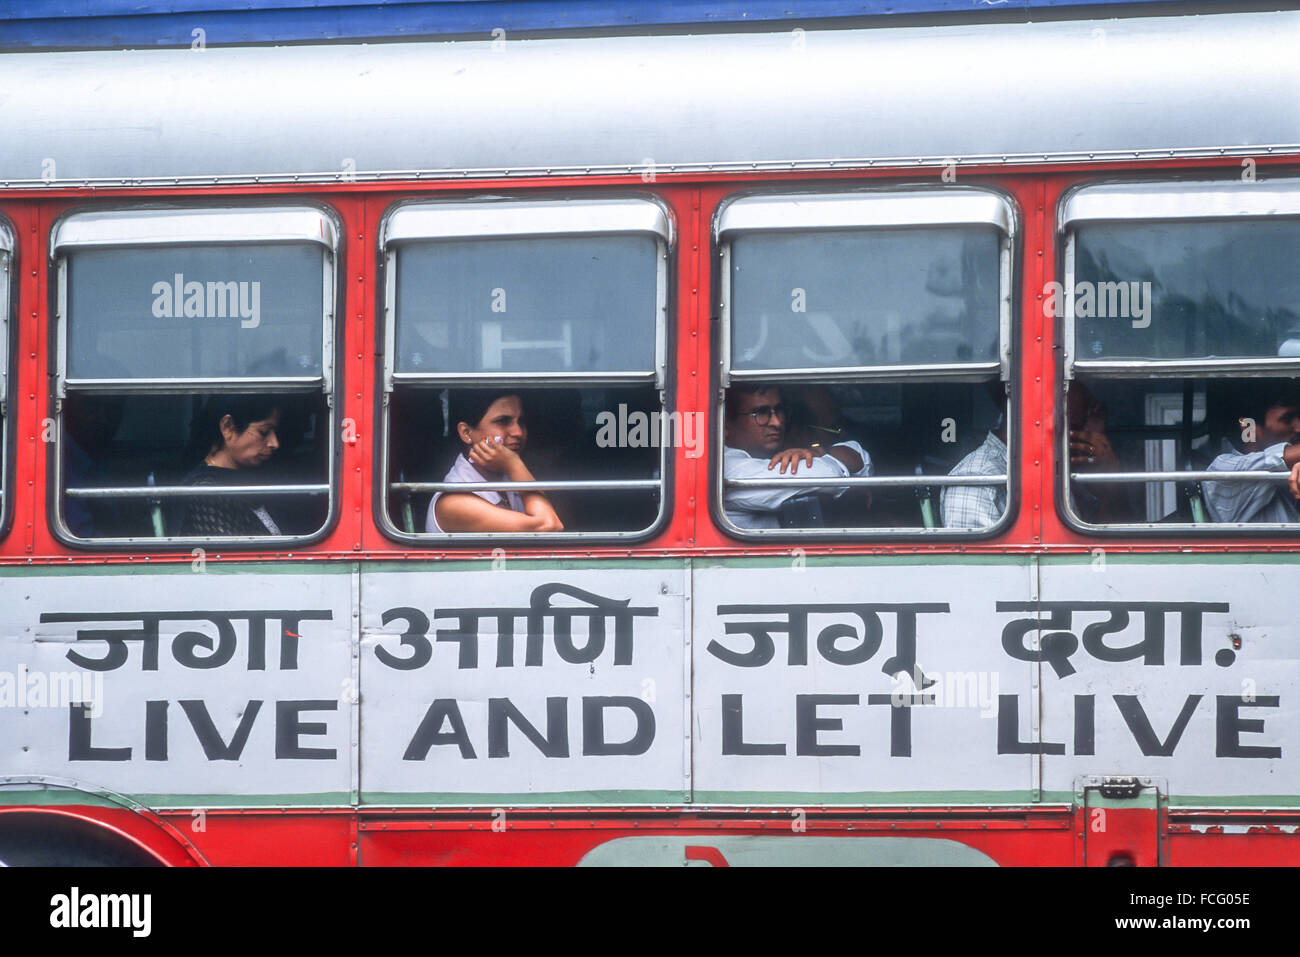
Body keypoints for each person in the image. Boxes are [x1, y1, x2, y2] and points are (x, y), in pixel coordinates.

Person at [722, 384, 871, 529]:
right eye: (761, 413)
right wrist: (826, 458)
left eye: (778, 410)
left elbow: (860, 454)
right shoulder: (725, 467)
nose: (777, 422)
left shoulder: (770, 456)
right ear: (726, 424)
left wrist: (819, 452)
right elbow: (826, 475)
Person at [427, 390, 563, 533]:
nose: (518, 432)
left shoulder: (506, 477)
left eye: (521, 422)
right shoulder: (454, 502)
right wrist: (513, 464)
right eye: (503, 421)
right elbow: (550, 526)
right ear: (466, 432)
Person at [179, 395, 284, 536]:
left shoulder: (245, 481)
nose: (274, 443)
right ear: (227, 427)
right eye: (263, 432)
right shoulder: (207, 493)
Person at [1202, 389, 1300, 523]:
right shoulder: (1223, 468)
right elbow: (1273, 461)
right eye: (1287, 419)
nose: (1298, 428)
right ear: (1248, 428)